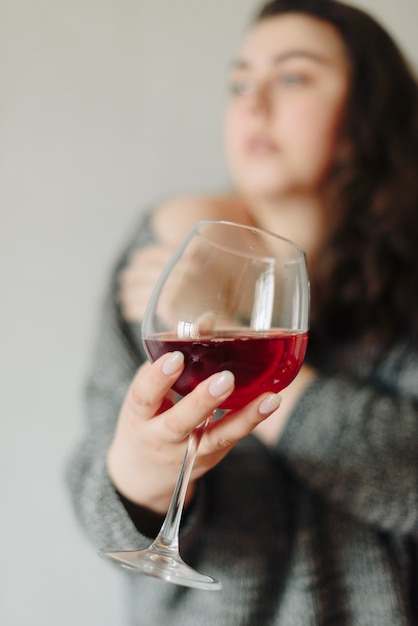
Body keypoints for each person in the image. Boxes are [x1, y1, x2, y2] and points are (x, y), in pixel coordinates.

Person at [66, 0, 418, 623]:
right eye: (238, 83)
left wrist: (280, 388)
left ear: (370, 110)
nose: (253, 103)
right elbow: (96, 498)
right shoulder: (166, 252)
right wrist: (139, 474)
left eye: (292, 76)